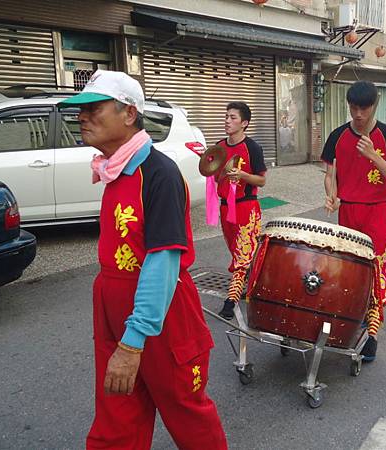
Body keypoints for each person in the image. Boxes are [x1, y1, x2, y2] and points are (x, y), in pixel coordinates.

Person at [58, 70, 227, 449]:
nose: (82, 117)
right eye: (80, 110)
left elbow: (162, 262)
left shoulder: (159, 173)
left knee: (189, 418)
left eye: (94, 108)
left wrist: (133, 343)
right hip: (112, 310)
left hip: (161, 316)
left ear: (129, 114)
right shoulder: (115, 171)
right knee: (117, 420)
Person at [322, 81, 386, 362]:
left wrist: (373, 156)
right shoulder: (337, 136)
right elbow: (330, 174)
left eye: (364, 108)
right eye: (354, 107)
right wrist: (331, 195)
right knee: (349, 269)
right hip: (348, 211)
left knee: (377, 268)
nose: (358, 114)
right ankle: (351, 318)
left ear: (374, 106)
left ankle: (371, 332)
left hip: (378, 211)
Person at [216, 102, 267, 320]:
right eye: (226, 116)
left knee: (243, 254)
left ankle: (231, 299)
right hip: (225, 207)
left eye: (233, 117)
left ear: (244, 123)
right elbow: (215, 176)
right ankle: (256, 282)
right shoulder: (219, 146)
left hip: (247, 206)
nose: (227, 120)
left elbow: (262, 180)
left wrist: (242, 176)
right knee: (236, 251)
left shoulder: (252, 148)